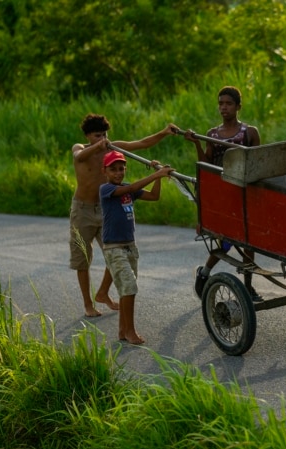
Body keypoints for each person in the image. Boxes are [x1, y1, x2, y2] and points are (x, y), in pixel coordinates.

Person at [70, 113, 178, 317]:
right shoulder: (80, 148)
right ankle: (88, 304)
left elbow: (142, 143)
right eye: (97, 136)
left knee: (115, 252)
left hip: (106, 210)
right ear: (87, 136)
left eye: (104, 135)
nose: (103, 139)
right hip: (82, 210)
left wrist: (164, 133)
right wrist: (98, 146)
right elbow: (79, 157)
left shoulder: (112, 147)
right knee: (82, 259)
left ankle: (102, 293)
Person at [183, 86, 263, 301]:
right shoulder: (212, 134)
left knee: (248, 242)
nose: (223, 107)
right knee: (226, 243)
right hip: (223, 196)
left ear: (238, 106)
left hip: (243, 194)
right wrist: (197, 144)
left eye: (228, 103)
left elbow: (257, 164)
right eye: (221, 104)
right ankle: (205, 273)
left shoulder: (250, 133)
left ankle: (248, 286)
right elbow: (206, 164)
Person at [100, 150, 174, 344]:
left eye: (121, 168)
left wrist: (158, 175)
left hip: (130, 246)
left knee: (126, 289)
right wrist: (156, 174)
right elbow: (131, 187)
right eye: (113, 169)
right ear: (105, 171)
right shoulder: (106, 189)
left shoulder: (129, 190)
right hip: (113, 247)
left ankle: (122, 330)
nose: (118, 173)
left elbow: (154, 196)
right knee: (130, 287)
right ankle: (131, 330)